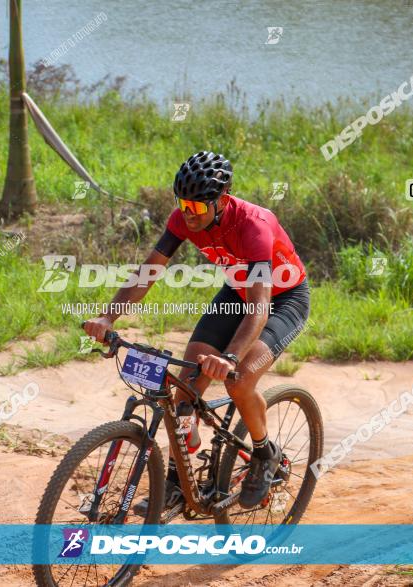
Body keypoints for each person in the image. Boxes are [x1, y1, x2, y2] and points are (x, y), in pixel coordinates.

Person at [83, 151, 310, 511]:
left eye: (198, 206)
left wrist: (230, 357)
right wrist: (108, 317)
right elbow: (149, 271)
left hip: (282, 301)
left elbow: (259, 306)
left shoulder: (254, 225)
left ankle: (265, 454)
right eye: (183, 203)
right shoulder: (183, 220)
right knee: (184, 389)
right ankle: (176, 482)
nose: (189, 213)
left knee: (238, 380)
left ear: (221, 200)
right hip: (236, 293)